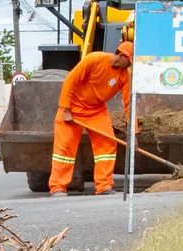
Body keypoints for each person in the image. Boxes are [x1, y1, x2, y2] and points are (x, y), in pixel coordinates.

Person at [49, 40, 133, 195]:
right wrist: (66, 110)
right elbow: (70, 81)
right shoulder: (94, 59)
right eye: (129, 61)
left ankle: (104, 186)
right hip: (72, 108)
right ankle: (58, 187)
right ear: (121, 56)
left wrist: (133, 131)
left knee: (107, 143)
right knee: (64, 148)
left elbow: (129, 103)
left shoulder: (124, 76)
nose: (130, 65)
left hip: (96, 111)